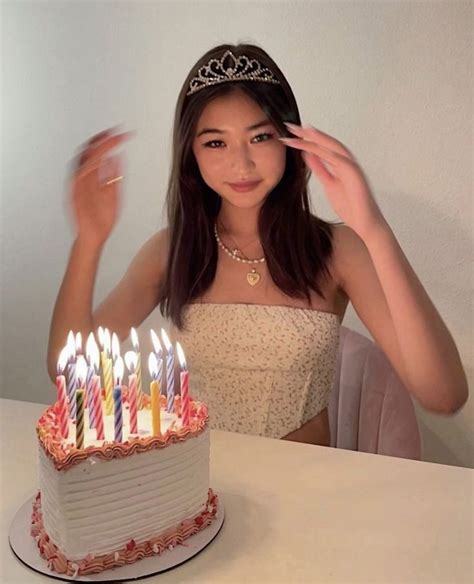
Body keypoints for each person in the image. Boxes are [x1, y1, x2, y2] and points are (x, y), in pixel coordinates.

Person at [47, 43, 468, 446]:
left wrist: (374, 228)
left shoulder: (336, 249)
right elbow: (68, 372)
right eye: (215, 142)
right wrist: (89, 240)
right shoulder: (170, 251)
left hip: (307, 494)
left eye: (260, 137)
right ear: (190, 154)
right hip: (198, 493)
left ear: (288, 140)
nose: (241, 163)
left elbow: (444, 396)